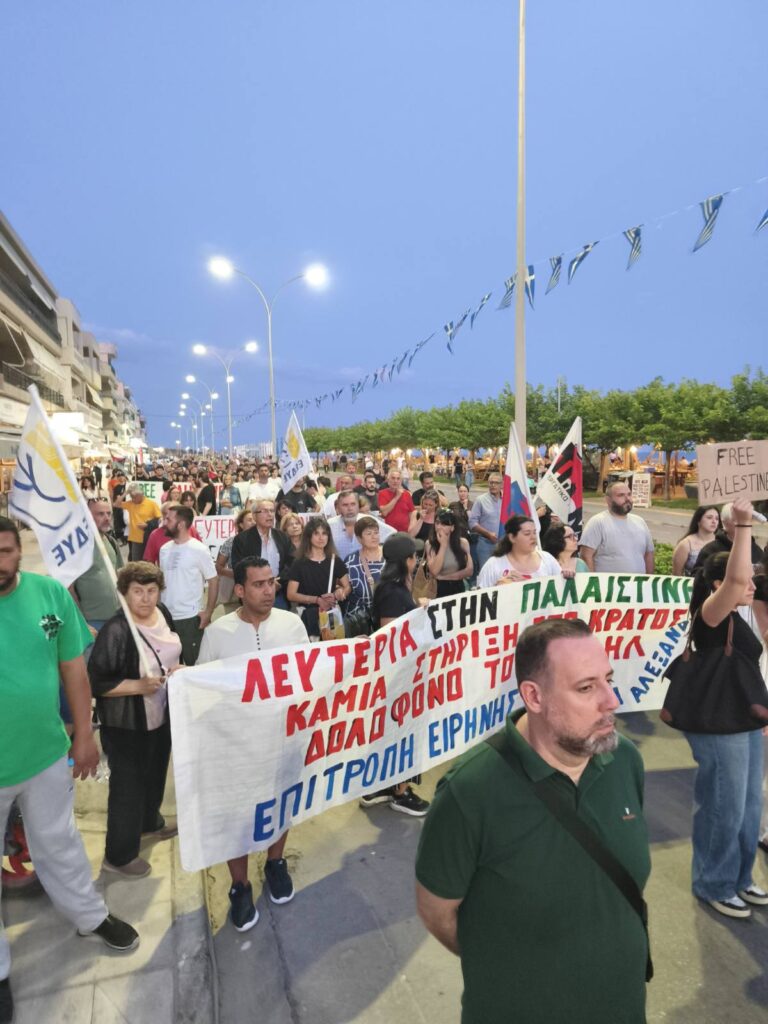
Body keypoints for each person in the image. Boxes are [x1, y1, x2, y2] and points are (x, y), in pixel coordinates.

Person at [415, 617, 651, 1024]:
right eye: (586, 688)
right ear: (534, 697)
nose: (611, 700)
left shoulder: (624, 760)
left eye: (608, 679)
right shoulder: (470, 792)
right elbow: (438, 913)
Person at [0, 519, 139, 1022]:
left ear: (19, 551)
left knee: (59, 840)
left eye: (6, 552)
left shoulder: (49, 599)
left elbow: (73, 670)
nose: (0, 563)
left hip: (43, 756)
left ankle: (89, 916)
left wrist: (84, 735)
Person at [198, 557, 309, 930]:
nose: (267, 591)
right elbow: (202, 688)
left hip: (283, 739)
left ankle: (275, 864)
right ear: (240, 590)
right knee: (237, 818)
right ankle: (240, 886)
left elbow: (310, 676)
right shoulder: (218, 633)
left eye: (271, 582)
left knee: (281, 804)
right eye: (258, 584)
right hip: (236, 747)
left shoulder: (293, 625)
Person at [673, 497, 768, 918]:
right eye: (746, 580)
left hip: (745, 719)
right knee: (722, 805)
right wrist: (744, 525)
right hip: (716, 723)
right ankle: (713, 883)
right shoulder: (713, 612)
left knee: (748, 805)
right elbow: (736, 580)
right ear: (719, 584)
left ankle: (741, 878)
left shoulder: (748, 614)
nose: (753, 585)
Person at [87, 562, 181, 878]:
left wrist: (178, 668)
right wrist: (138, 686)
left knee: (155, 772)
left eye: (151, 590)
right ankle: (118, 855)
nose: (145, 599)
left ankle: (148, 822)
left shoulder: (163, 614)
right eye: (137, 591)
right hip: (126, 724)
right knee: (127, 786)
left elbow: (171, 652)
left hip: (161, 714)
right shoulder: (117, 630)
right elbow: (97, 682)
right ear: (124, 594)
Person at [360, 532, 431, 816]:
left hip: (397, 672)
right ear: (406, 561)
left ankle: (379, 786)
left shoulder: (393, 586)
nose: (417, 560)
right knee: (402, 729)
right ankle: (400, 792)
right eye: (414, 556)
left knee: (390, 730)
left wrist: (418, 608)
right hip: (398, 673)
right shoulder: (391, 591)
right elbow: (391, 634)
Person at [158, 504, 218, 665]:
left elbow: (213, 580)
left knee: (193, 665)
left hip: (189, 618)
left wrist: (208, 612)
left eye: (168, 519)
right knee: (168, 665)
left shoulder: (199, 549)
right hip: (165, 618)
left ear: (181, 524)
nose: (164, 522)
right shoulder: (164, 549)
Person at [286, 518, 350, 640]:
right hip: (309, 616)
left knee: (334, 648)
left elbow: (347, 587)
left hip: (331, 615)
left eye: (324, 533)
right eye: (316, 533)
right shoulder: (299, 563)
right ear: (309, 536)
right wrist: (317, 600)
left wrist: (338, 594)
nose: (321, 538)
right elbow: (291, 594)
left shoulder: (334, 560)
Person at [71, 498, 125, 630]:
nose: (107, 518)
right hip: (91, 622)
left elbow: (121, 575)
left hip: (116, 618)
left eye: (109, 513)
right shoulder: (77, 545)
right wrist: (80, 620)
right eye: (100, 514)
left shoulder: (111, 541)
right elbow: (68, 587)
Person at [230, 499, 294, 609]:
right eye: (264, 511)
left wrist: (277, 581)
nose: (269, 514)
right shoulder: (242, 539)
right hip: (253, 594)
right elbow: (238, 568)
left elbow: (292, 562)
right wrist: (262, 583)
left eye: (272, 511)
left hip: (279, 592)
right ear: (254, 516)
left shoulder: (282, 537)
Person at [579, 481, 655, 574]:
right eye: (621, 495)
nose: (627, 499)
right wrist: (593, 584)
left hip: (637, 586)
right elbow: (586, 556)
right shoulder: (598, 522)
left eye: (629, 494)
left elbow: (649, 554)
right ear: (608, 500)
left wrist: (648, 581)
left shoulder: (640, 522)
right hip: (607, 587)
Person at [478, 515, 561, 589]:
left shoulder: (547, 559)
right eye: (527, 534)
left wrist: (568, 576)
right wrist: (498, 591)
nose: (533, 537)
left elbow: (561, 589)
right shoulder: (493, 565)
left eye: (534, 532)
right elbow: (480, 599)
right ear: (512, 537)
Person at [693, 501, 766, 571]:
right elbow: (697, 577)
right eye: (737, 520)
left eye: (747, 520)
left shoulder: (756, 549)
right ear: (725, 522)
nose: (744, 523)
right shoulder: (710, 550)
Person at [327, 490, 395, 560]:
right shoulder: (330, 525)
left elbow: (393, 535)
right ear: (338, 508)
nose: (350, 509)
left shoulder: (368, 520)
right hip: (338, 568)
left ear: (358, 506)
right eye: (345, 505)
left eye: (353, 504)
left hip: (364, 568)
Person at [344, 516, 385, 622]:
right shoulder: (351, 561)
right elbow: (343, 587)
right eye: (368, 533)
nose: (374, 536)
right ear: (359, 538)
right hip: (360, 618)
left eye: (376, 532)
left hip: (389, 615)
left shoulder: (390, 554)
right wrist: (340, 591)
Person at [425, 508, 473, 598]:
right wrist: (443, 546)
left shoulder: (463, 543)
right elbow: (434, 571)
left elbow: (469, 570)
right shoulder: (430, 544)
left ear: (452, 527)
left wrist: (445, 577)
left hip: (458, 588)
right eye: (437, 523)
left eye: (444, 524)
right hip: (438, 590)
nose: (439, 527)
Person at [216, 508, 254, 609]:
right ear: (241, 525)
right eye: (250, 520)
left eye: (255, 518)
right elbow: (219, 567)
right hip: (234, 593)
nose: (253, 522)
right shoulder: (230, 542)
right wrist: (238, 574)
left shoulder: (266, 541)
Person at [114, 484, 162, 561]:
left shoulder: (152, 504)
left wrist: (148, 525)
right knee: (136, 563)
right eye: (131, 497)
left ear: (141, 495)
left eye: (134, 497)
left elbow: (160, 519)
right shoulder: (130, 504)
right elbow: (116, 504)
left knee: (148, 562)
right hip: (135, 539)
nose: (133, 499)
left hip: (148, 538)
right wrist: (125, 493)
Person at [671, 505, 722, 576]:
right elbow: (676, 575)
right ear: (698, 520)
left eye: (717, 519)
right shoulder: (686, 544)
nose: (714, 521)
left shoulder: (722, 541)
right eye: (709, 518)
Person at [468, 473, 503, 573]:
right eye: (491, 482)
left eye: (496, 483)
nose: (493, 485)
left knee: (502, 574)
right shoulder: (481, 500)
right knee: (486, 573)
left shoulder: (507, 500)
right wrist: (488, 534)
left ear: (502, 485)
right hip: (485, 544)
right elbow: (472, 523)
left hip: (503, 544)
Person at [378, 467, 415, 532]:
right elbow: (384, 513)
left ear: (401, 481)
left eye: (398, 479)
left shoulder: (406, 494)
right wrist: (397, 496)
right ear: (388, 480)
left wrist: (411, 528)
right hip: (389, 532)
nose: (395, 481)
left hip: (405, 532)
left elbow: (412, 512)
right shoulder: (382, 493)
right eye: (393, 478)